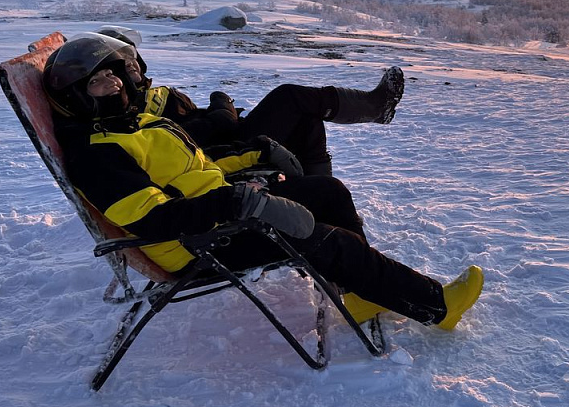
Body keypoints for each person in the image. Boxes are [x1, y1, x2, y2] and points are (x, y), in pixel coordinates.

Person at [43, 33, 483, 331]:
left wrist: (256, 155)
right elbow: (154, 220)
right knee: (325, 240)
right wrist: (240, 204)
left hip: (217, 213)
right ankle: (436, 307)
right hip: (196, 244)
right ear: (75, 97)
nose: (113, 83)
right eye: (96, 82)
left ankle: (363, 293)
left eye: (114, 74)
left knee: (327, 192)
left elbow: (197, 167)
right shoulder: (96, 152)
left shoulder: (132, 124)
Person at [94, 25, 404, 176]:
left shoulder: (152, 94)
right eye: (121, 64)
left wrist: (218, 110)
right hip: (221, 154)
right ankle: (375, 108)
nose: (131, 64)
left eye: (131, 57)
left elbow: (197, 120)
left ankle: (319, 190)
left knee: (306, 116)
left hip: (226, 138)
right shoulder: (129, 109)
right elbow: (188, 136)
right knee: (289, 97)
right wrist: (221, 106)